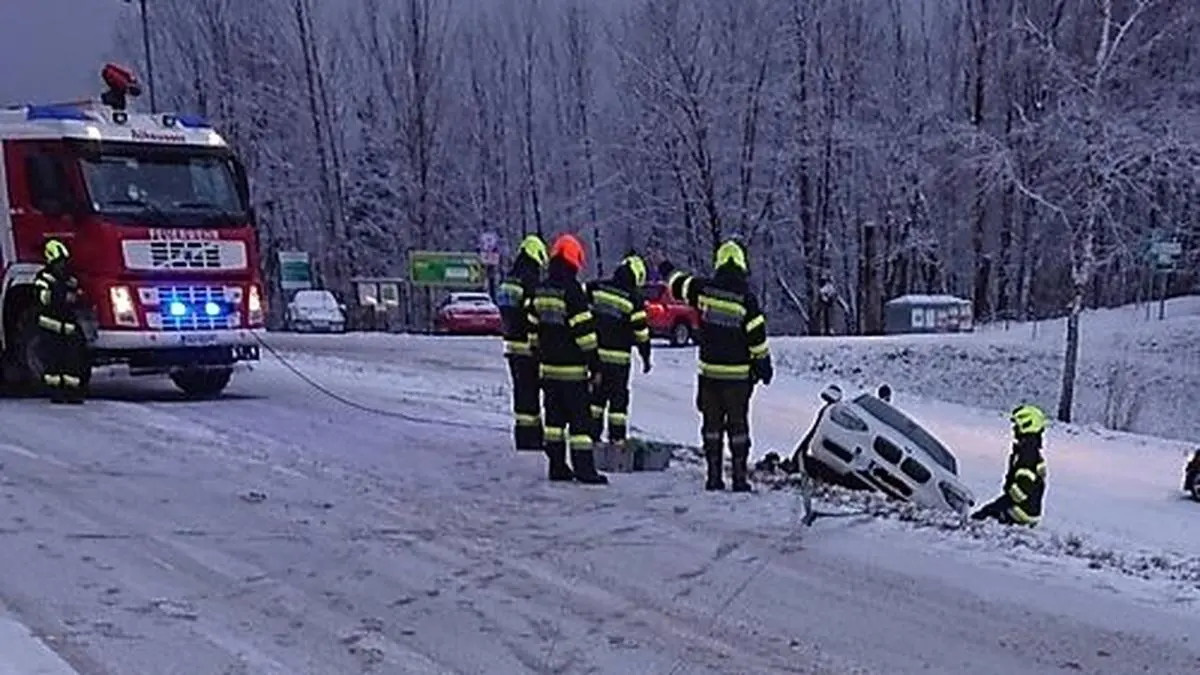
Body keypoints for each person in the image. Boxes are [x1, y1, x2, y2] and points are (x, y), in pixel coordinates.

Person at [658, 240, 772, 492]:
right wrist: (764, 366)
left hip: (709, 375)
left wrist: (665, 268)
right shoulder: (747, 299)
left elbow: (678, 284)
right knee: (738, 427)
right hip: (738, 379)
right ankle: (740, 479)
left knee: (711, 426)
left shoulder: (703, 289)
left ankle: (713, 476)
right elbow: (757, 339)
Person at [525, 233, 607, 484]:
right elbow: (584, 334)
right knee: (580, 424)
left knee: (554, 423)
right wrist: (595, 364)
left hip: (548, 369)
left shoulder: (541, 289)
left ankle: (557, 467)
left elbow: (532, 327)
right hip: (572, 370)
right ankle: (585, 470)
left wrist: (538, 353)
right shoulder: (572, 291)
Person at [586, 252, 652, 446]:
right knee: (618, 403)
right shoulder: (634, 298)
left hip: (596, 357)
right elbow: (641, 333)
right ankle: (616, 439)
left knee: (596, 400)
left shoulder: (597, 287)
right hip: (619, 361)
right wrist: (646, 357)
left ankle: (591, 437)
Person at [496, 235, 549, 451]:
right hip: (528, 345)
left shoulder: (510, 279)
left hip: (512, 345)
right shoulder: (530, 278)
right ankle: (533, 438)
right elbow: (533, 312)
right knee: (531, 392)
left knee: (521, 392)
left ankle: (522, 435)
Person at [971, 404, 1048, 526]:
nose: (1014, 429)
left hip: (1021, 512)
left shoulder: (1027, 453)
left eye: (1016, 426)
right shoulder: (1030, 449)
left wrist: (996, 507)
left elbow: (1022, 490)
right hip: (1030, 510)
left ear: (1026, 425)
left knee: (980, 520)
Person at [34, 239, 86, 404]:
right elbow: (43, 298)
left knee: (73, 363)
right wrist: (63, 297)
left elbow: (78, 296)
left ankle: (73, 393)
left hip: (69, 329)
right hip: (51, 328)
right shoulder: (44, 278)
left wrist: (76, 295)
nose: (62, 266)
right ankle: (55, 392)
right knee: (53, 364)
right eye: (59, 262)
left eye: (64, 262)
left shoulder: (69, 279)